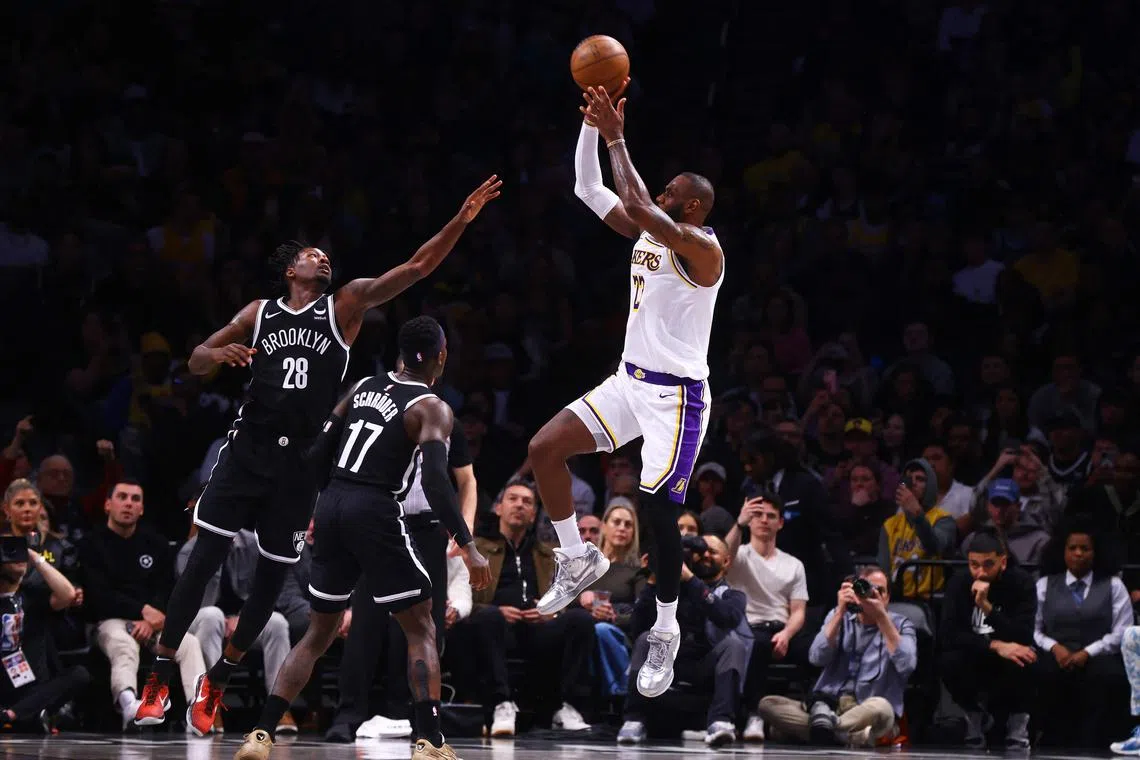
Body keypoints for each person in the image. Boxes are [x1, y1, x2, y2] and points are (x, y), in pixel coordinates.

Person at [136, 177, 501, 729]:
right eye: (312, 254)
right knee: (203, 559)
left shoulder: (345, 306)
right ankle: (159, 679)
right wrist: (218, 353)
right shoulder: (260, 312)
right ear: (291, 270)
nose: (323, 257)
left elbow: (416, 268)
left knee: (270, 582)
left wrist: (461, 219)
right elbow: (194, 360)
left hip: (299, 466)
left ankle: (220, 681)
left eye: (326, 255)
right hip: (247, 451)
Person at [526, 81, 724, 699]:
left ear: (693, 207)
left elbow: (638, 203)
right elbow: (589, 188)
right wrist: (591, 125)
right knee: (543, 449)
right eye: (661, 192)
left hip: (678, 402)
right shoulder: (649, 232)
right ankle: (575, 556)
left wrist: (618, 137)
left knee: (657, 510)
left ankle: (665, 628)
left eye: (671, 195)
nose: (660, 198)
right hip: (628, 381)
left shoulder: (704, 251)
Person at [234, 316, 491, 760]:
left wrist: (321, 502)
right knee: (421, 627)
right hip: (375, 508)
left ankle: (261, 733)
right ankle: (431, 741)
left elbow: (317, 452)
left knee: (319, 632)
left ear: (400, 354)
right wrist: (468, 546)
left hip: (332, 504)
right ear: (442, 356)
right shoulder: (433, 408)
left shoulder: (362, 387)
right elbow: (436, 481)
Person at [324, 382, 479, 743]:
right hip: (381, 523)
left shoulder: (444, 418)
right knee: (365, 622)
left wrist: (465, 528)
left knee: (422, 627)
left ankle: (410, 716)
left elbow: (467, 479)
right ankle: (348, 714)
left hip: (428, 528)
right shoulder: (381, 413)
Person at [455, 480, 597, 738]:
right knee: (488, 617)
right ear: (499, 508)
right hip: (495, 627)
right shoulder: (478, 549)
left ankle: (568, 707)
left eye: (527, 502)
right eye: (513, 499)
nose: (519, 505)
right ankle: (502, 704)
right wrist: (496, 610)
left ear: (533, 515)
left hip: (537, 628)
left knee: (579, 620)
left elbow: (568, 595)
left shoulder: (548, 554)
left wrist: (553, 612)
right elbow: (461, 595)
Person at [79, 479, 207, 730]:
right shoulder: (91, 544)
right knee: (123, 643)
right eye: (122, 497)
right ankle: (129, 705)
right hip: (109, 620)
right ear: (107, 505)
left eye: (135, 499)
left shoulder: (156, 544)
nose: (128, 503)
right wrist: (141, 611)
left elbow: (167, 587)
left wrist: (152, 616)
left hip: (153, 620)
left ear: (142, 509)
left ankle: (199, 712)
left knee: (189, 643)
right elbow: (98, 595)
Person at [617, 535, 752, 747]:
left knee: (733, 646)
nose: (705, 555)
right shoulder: (672, 590)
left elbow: (726, 617)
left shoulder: (733, 595)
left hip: (705, 667)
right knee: (646, 639)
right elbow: (637, 627)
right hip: (669, 663)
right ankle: (634, 720)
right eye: (701, 551)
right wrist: (654, 579)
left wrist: (690, 580)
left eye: (712, 552)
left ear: (726, 561)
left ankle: (721, 722)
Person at [759, 566, 916, 747]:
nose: (873, 594)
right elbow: (816, 657)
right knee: (767, 704)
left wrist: (881, 617)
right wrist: (840, 611)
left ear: (888, 597)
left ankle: (822, 729)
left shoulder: (901, 625)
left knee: (883, 708)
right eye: (867, 588)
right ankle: (848, 735)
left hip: (866, 709)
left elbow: (907, 665)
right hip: (828, 705)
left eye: (880, 591)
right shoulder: (838, 616)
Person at [1034, 521, 1131, 747]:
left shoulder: (1114, 585)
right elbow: (1034, 629)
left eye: (1085, 548)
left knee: (1109, 676)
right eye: (1072, 548)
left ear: (1096, 552)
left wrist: (1088, 652)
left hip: (1099, 656)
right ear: (1062, 551)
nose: (1078, 553)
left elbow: (1122, 631)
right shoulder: (1044, 585)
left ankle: (1096, 743)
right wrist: (1054, 647)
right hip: (1056, 654)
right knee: (1043, 673)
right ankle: (1049, 740)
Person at [940, 530, 1038, 749]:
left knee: (1026, 657)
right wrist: (995, 645)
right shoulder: (959, 583)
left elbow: (1023, 635)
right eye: (974, 565)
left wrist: (986, 606)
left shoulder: (1021, 582)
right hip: (977, 653)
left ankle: (1018, 728)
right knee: (948, 661)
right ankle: (975, 717)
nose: (980, 572)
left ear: (1003, 562)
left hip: (1010, 657)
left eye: (988, 564)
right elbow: (949, 634)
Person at [725, 495, 810, 742]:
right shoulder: (740, 555)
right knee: (759, 643)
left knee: (816, 649)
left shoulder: (794, 564)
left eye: (771, 516)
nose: (764, 520)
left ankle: (813, 711)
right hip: (749, 627)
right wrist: (739, 523)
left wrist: (786, 635)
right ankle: (755, 714)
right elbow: (722, 557)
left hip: (783, 628)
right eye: (758, 515)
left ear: (780, 523)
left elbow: (798, 611)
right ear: (750, 521)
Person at [0, 534, 88, 732]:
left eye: (20, 550)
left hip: (32, 689)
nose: (18, 556)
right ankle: (27, 717)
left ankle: (11, 715)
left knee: (79, 674)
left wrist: (34, 556)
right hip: (3, 684)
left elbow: (67, 594)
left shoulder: (31, 594)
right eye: (10, 551)